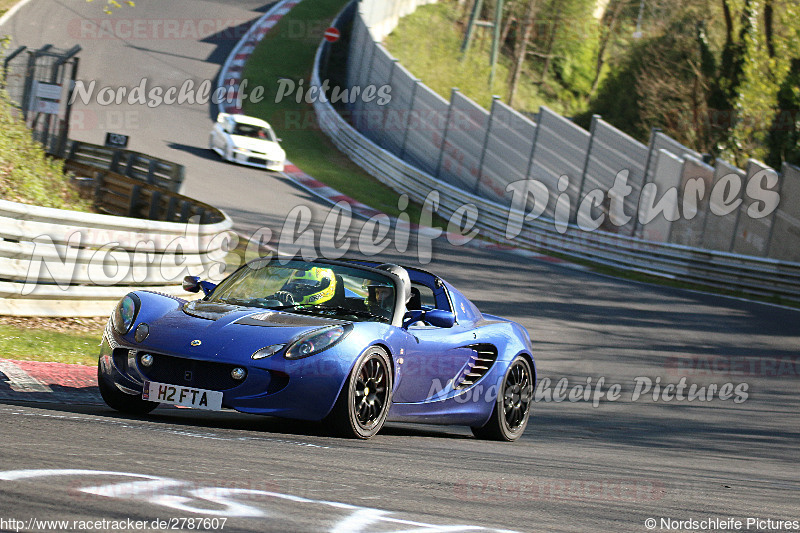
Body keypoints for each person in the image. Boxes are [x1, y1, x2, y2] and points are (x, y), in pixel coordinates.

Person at [271, 267, 336, 305]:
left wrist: (292, 311)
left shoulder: (329, 314)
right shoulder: (287, 300)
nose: (298, 289)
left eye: (306, 286)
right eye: (296, 284)